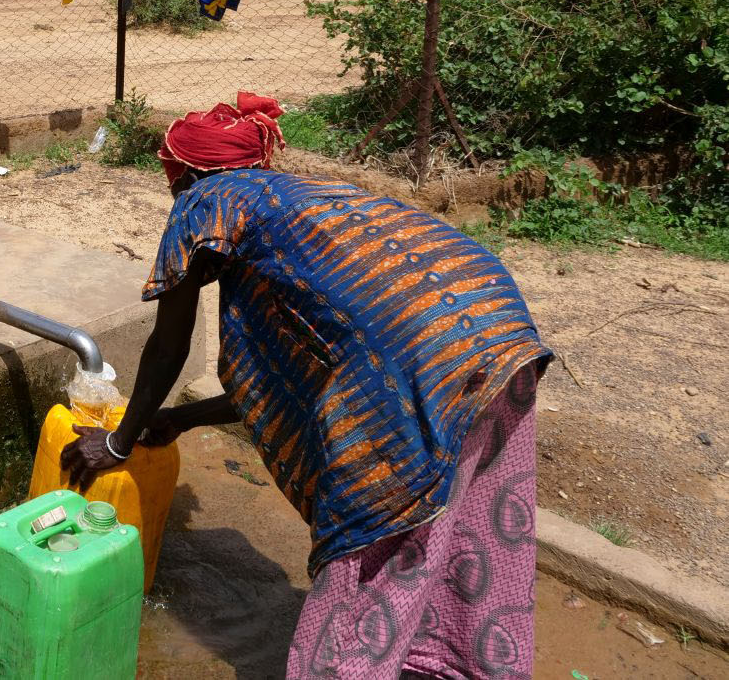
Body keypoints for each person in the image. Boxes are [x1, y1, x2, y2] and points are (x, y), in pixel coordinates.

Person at [62, 94, 551, 679]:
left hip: (422, 353)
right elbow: (296, 384)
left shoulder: (204, 202)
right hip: (500, 333)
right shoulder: (299, 205)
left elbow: (168, 346)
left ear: (183, 173)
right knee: (464, 517)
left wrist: (118, 442)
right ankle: (452, 662)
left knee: (376, 525)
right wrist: (182, 420)